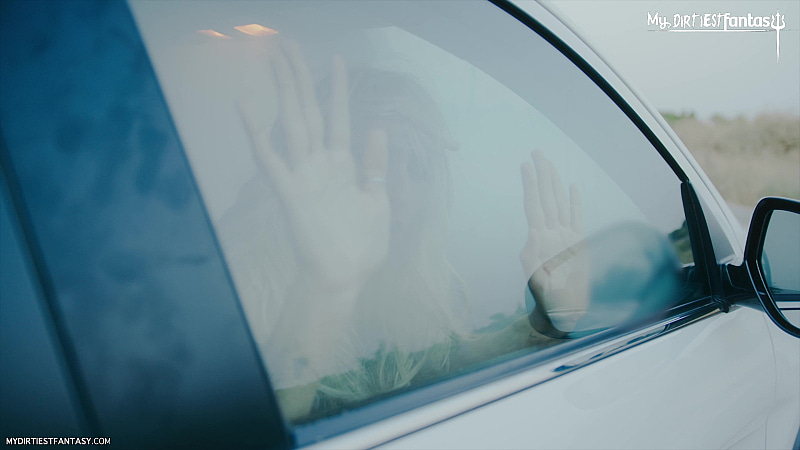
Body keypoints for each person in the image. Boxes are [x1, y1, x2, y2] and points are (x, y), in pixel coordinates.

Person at [228, 40, 587, 422]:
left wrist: (543, 321)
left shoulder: (412, 272)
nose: (400, 193)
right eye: (375, 163)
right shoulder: (240, 292)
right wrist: (323, 288)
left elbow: (433, 364)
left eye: (417, 167)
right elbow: (253, 430)